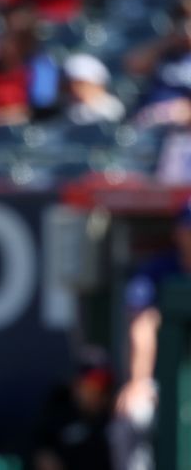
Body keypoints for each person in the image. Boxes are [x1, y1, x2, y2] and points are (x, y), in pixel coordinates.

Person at [110, 199, 191, 470]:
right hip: (163, 384)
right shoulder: (158, 271)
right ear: (179, 232)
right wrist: (138, 381)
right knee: (132, 417)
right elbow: (141, 324)